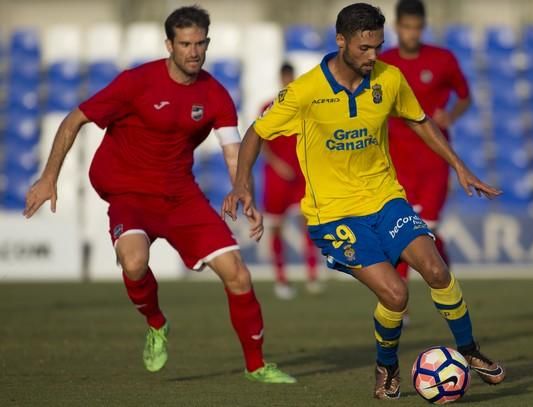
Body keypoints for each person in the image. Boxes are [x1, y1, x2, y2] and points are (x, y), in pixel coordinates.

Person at [223, 2, 505, 400]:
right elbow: (256, 132)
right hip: (334, 215)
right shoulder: (306, 91)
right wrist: (242, 183)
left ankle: (470, 350)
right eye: (364, 49)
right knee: (396, 294)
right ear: (341, 41)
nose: (373, 56)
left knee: (437, 271)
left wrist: (459, 166)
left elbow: (419, 119)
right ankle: (386, 368)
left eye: (378, 46)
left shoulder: (389, 78)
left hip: (386, 199)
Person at [23, 5, 295, 384]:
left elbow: (233, 150)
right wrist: (49, 176)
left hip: (181, 196)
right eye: (185, 43)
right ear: (169, 44)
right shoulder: (136, 82)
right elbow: (74, 120)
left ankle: (256, 365)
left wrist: (241, 188)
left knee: (239, 275)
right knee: (133, 262)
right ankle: (156, 323)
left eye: (200, 43)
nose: (193, 51)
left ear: (208, 43)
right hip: (129, 193)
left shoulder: (215, 94)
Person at [380, 0, 471, 285]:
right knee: (403, 231)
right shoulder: (383, 63)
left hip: (434, 158)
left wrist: (451, 115)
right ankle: (401, 306)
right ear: (397, 27)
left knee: (427, 229)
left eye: (417, 28)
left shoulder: (442, 59)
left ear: (423, 27)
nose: (412, 34)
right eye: (406, 27)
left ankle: (444, 278)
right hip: (397, 158)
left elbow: (465, 96)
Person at [260, 63, 321, 300]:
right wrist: (277, 165)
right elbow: (261, 140)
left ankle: (312, 274)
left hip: (301, 176)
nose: (288, 80)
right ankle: (281, 278)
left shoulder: (305, 107)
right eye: (285, 77)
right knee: (277, 227)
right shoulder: (269, 107)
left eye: (291, 77)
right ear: (280, 78)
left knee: (309, 222)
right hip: (277, 177)